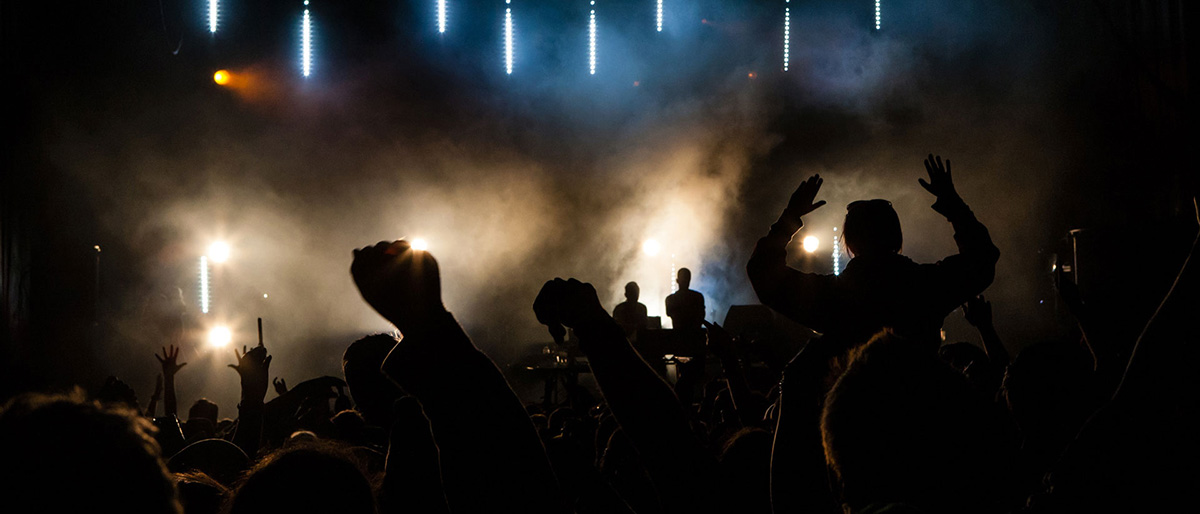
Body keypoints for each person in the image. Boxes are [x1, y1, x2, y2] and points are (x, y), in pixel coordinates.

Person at [747, 154, 1000, 353]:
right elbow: (982, 259)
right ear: (896, 238)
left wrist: (790, 217)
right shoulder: (926, 286)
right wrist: (953, 204)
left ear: (850, 244)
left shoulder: (832, 297)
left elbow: (763, 274)